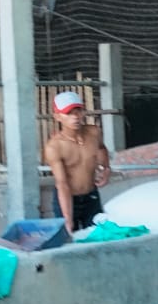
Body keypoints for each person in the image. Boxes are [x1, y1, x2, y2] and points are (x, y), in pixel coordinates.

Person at [43, 91, 111, 233]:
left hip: (91, 195)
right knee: (69, 237)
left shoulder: (94, 132)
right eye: (68, 113)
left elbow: (101, 148)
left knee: (97, 236)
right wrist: (67, 218)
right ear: (57, 117)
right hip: (67, 200)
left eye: (78, 111)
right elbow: (62, 184)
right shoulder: (54, 147)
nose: (75, 117)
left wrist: (105, 168)